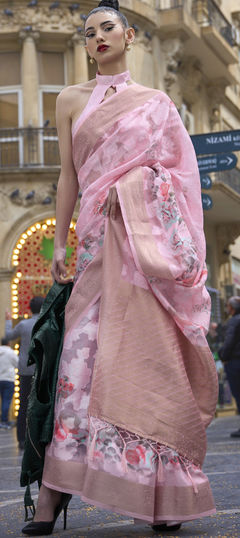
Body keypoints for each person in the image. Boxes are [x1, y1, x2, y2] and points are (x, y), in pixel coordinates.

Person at [22, 0, 218, 535]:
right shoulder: (70, 99)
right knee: (77, 368)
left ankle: (164, 497)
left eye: (108, 27)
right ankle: (52, 498)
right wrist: (59, 241)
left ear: (129, 36)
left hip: (141, 254)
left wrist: (135, 188)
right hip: (93, 250)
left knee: (148, 362)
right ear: (85, 46)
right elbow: (68, 176)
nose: (98, 37)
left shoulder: (156, 103)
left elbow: (177, 175)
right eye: (89, 33)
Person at [5, 296, 44, 449]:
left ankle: (21, 439)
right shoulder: (47, 323)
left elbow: (8, 336)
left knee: (23, 405)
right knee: (41, 404)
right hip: (41, 369)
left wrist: (8, 320)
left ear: (30, 308)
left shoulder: (23, 324)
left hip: (25, 369)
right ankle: (39, 438)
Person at [219, 296, 240, 437]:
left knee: (238, 394)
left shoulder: (234, 321)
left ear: (231, 308)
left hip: (235, 362)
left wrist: (223, 356)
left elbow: (229, 341)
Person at [0, 337, 18, 429]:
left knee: (3, 401)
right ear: (8, 343)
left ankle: (3, 420)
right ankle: (4, 421)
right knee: (6, 401)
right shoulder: (11, 353)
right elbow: (17, 364)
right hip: (8, 379)